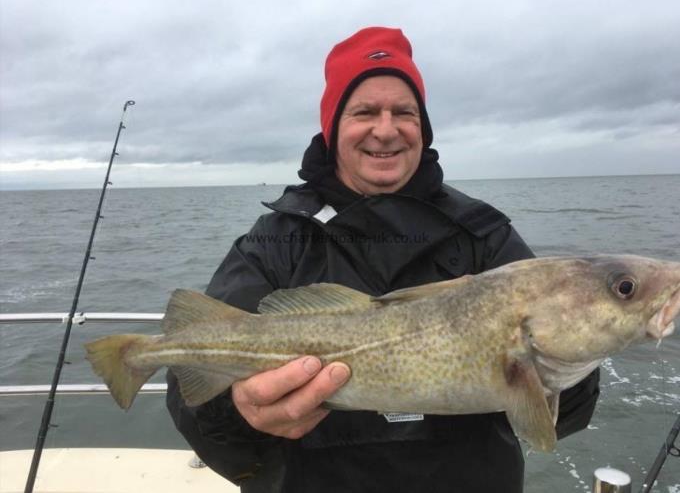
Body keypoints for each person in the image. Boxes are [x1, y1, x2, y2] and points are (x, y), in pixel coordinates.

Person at [166, 26, 600, 493]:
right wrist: (240, 409)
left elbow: (562, 419)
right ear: (333, 128)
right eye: (365, 111)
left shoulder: (485, 236)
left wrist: (574, 357)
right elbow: (191, 382)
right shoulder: (277, 239)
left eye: (404, 112)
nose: (387, 129)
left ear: (422, 126)